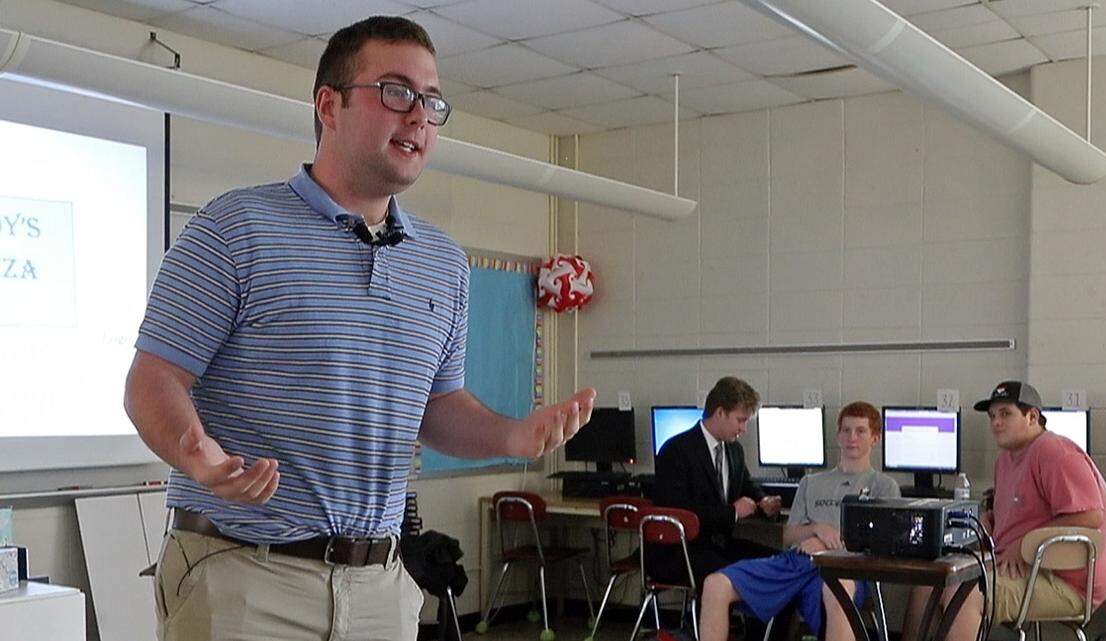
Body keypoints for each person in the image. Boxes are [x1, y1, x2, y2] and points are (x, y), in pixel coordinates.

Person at [123, 15, 595, 641]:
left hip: (380, 583)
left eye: (431, 100)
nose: (419, 115)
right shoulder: (235, 228)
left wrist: (513, 434)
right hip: (244, 573)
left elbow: (438, 407)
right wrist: (195, 453)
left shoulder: (444, 263)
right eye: (396, 92)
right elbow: (153, 378)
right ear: (329, 105)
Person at [901, 381, 1106, 641]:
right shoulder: (1005, 460)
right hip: (1018, 567)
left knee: (963, 592)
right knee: (929, 581)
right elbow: (1015, 514)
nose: (995, 423)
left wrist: (1024, 545)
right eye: (992, 416)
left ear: (1032, 416)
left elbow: (1090, 516)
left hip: (1066, 581)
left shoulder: (1054, 452)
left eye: (1005, 414)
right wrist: (985, 522)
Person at [699, 401, 900, 641]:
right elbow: (788, 536)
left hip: (846, 568)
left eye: (860, 431)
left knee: (837, 589)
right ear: (837, 435)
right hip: (796, 563)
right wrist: (816, 530)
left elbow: (884, 545)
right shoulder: (811, 483)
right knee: (715, 584)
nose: (852, 438)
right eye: (846, 430)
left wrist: (828, 545)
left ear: (875, 438)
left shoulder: (884, 486)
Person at [650, 376, 782, 589]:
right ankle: (719, 621)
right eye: (740, 420)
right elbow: (677, 511)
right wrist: (732, 512)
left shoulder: (734, 450)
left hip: (719, 545)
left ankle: (764, 623)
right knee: (737, 575)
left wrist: (763, 500)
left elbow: (746, 485)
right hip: (682, 549)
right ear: (720, 412)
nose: (744, 428)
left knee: (780, 565)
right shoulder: (676, 450)